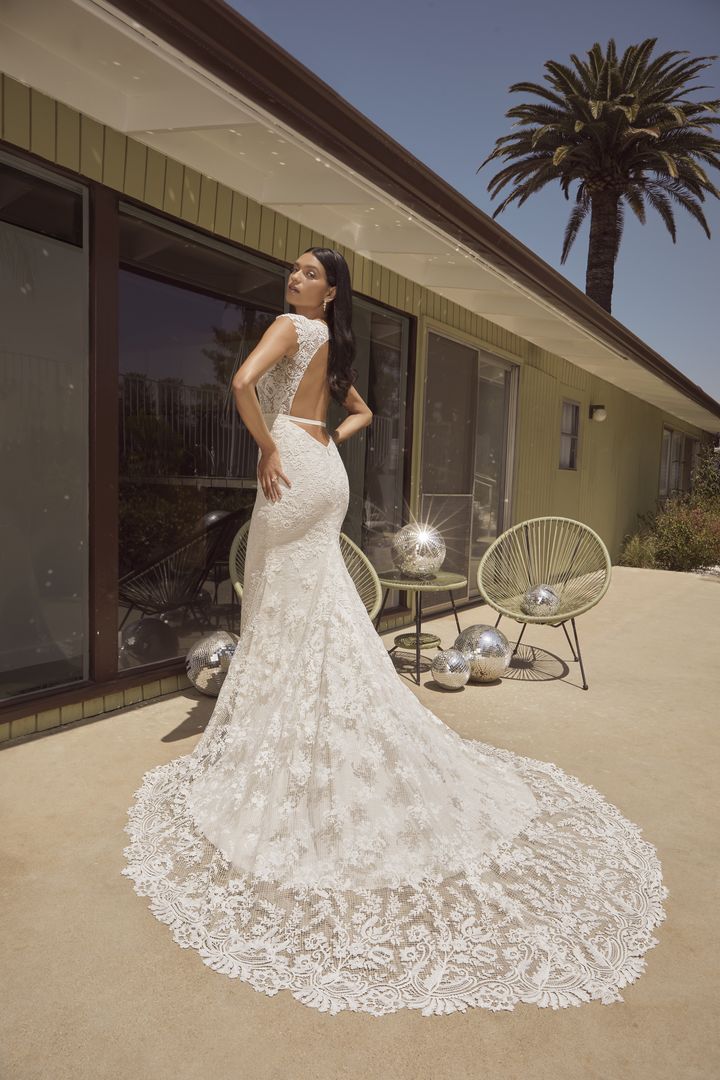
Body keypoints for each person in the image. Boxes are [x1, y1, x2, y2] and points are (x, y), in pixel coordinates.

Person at [122, 248, 668, 1017]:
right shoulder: (333, 346)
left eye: (309, 273)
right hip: (325, 471)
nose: (295, 280)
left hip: (291, 468)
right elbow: (363, 415)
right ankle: (312, 722)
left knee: (280, 605)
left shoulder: (289, 327)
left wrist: (272, 445)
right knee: (317, 607)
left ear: (330, 290)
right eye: (294, 272)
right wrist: (313, 441)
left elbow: (241, 383)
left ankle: (284, 733)